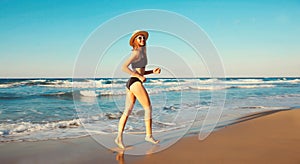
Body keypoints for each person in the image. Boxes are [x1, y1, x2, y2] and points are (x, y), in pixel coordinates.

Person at [115, 30, 161, 149]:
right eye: (139, 38)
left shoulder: (141, 53)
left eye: (143, 38)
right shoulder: (136, 53)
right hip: (134, 82)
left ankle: (118, 138)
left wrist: (152, 72)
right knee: (148, 107)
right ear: (135, 40)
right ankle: (148, 135)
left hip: (132, 83)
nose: (142, 39)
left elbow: (141, 71)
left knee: (127, 111)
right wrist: (139, 76)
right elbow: (124, 67)